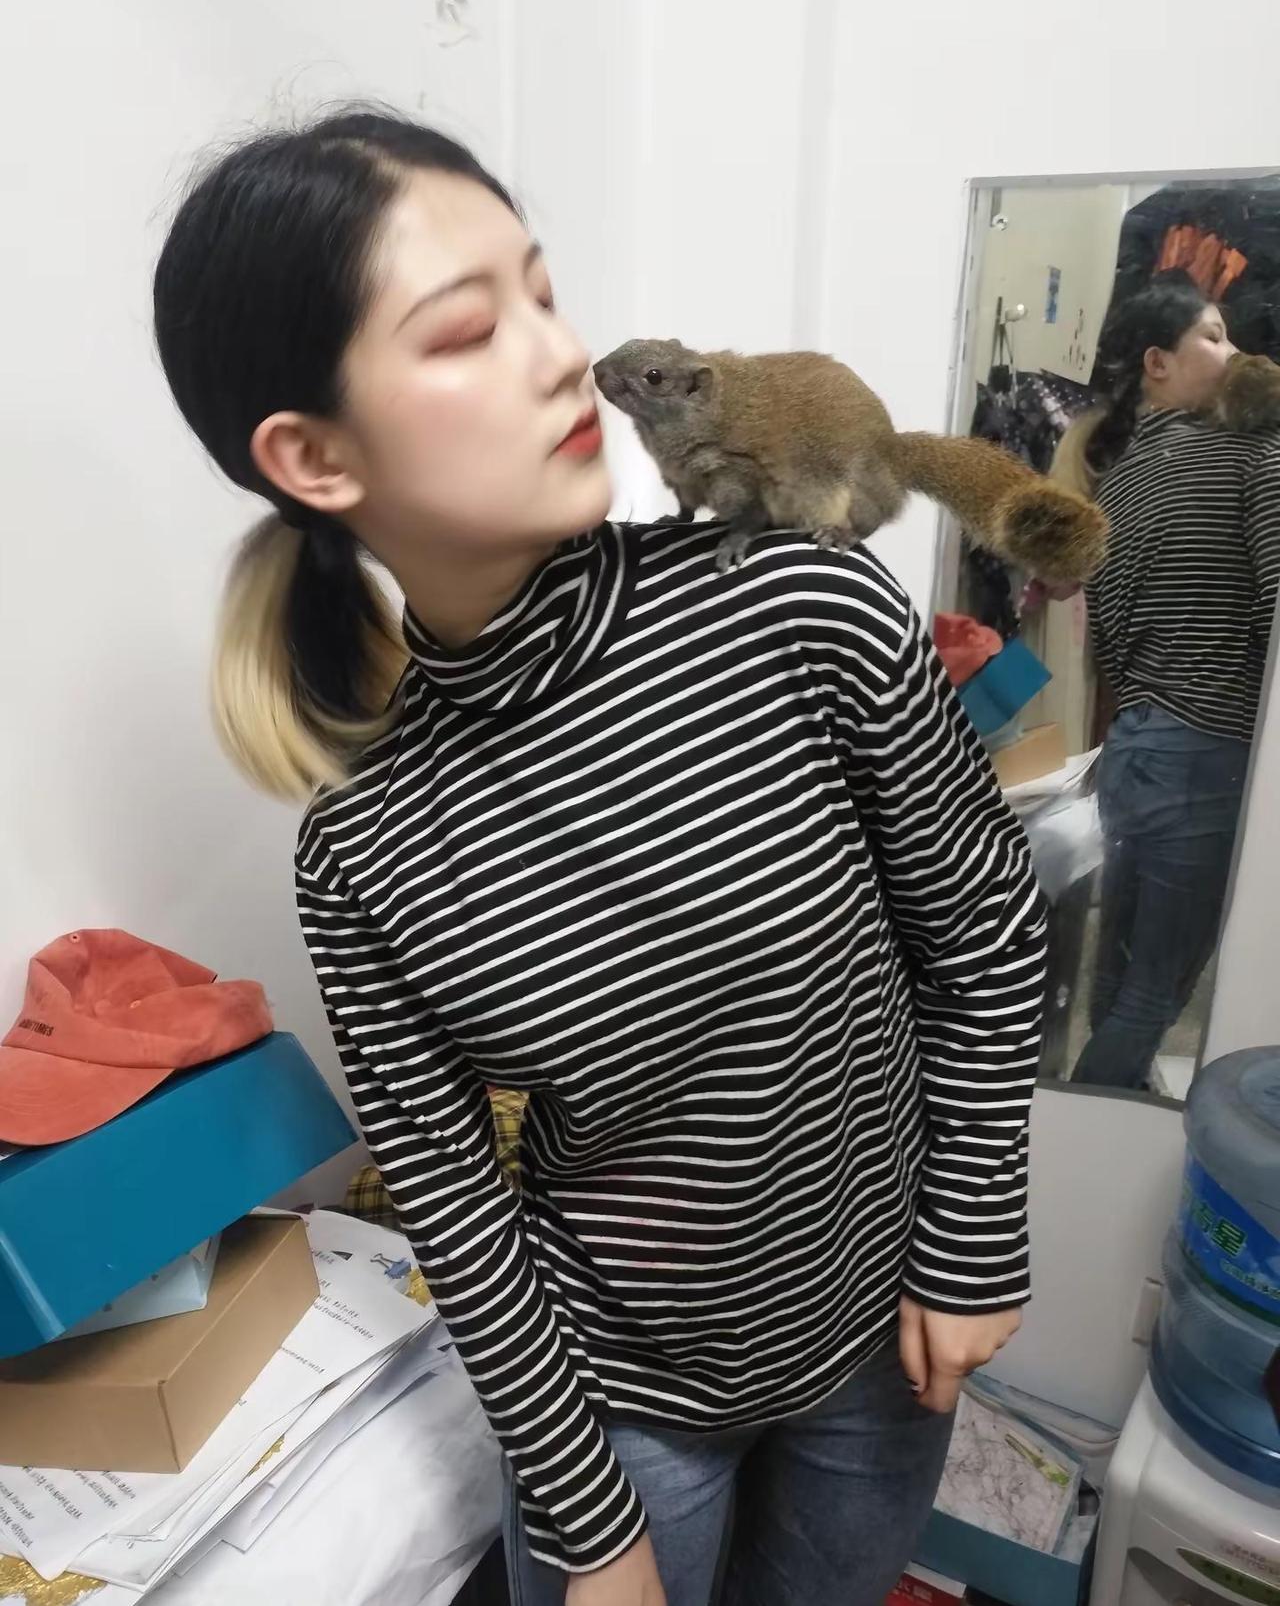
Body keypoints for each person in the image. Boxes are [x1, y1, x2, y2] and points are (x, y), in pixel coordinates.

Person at [153, 109, 1046, 1606]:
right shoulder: (365, 846)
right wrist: (591, 1522)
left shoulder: (805, 607)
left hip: (879, 1346)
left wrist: (972, 1235)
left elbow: (988, 931)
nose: (563, 357)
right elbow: (455, 1200)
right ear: (311, 454)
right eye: (466, 330)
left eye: (544, 297)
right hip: (622, 1411)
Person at [1058, 273, 1280, 1092]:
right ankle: (1090, 1122)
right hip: (1210, 750)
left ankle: (1099, 1106)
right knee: (1159, 985)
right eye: (1214, 336)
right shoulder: (1256, 456)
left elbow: (1109, 643)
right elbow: (1278, 616)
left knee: (1118, 974)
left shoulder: (1117, 479)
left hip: (1135, 747)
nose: (1235, 351)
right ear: (1158, 362)